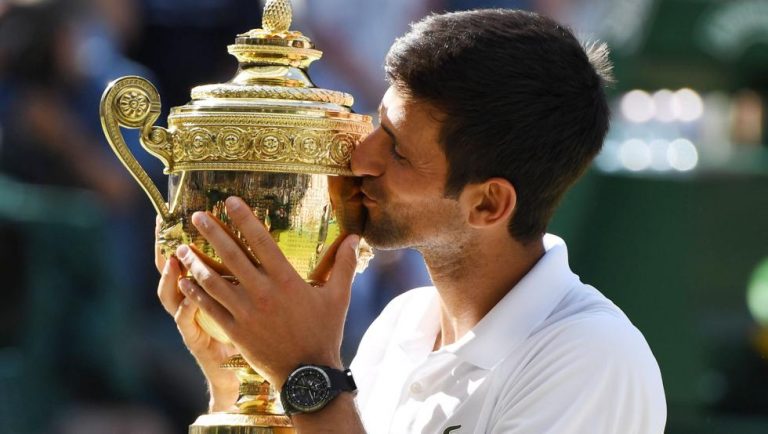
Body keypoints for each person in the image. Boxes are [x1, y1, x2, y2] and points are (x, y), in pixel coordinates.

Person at [156, 9, 666, 433]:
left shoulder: (592, 358)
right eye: (379, 124)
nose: (361, 159)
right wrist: (239, 381)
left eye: (397, 151)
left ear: (488, 205)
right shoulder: (399, 328)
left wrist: (305, 371)